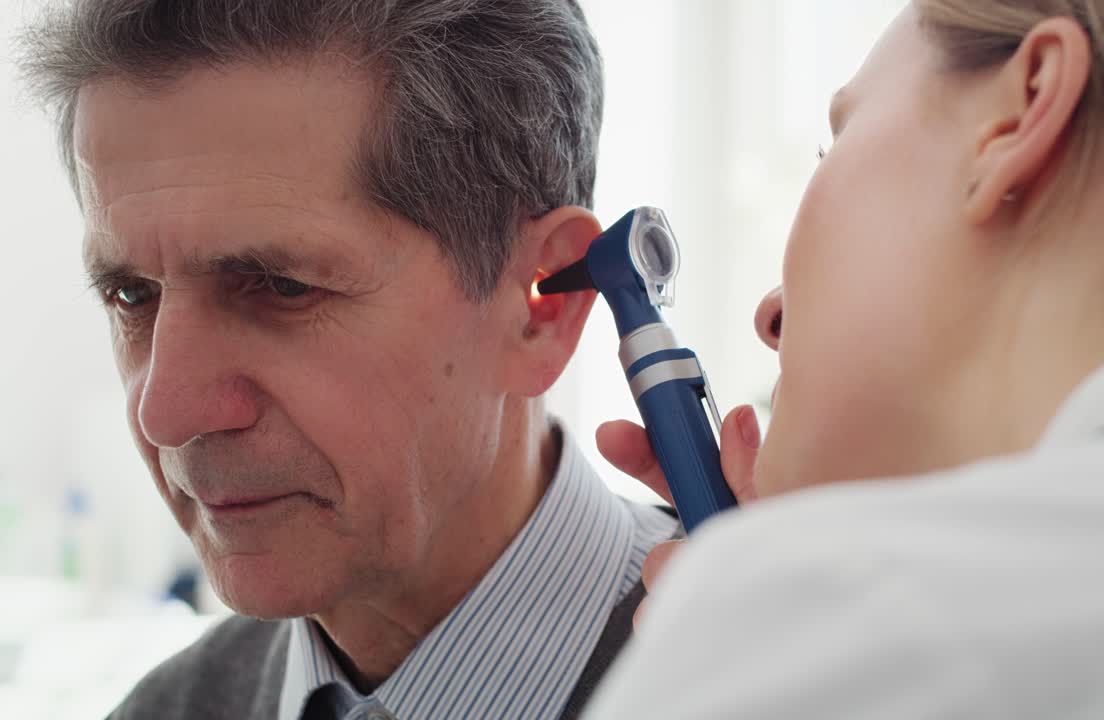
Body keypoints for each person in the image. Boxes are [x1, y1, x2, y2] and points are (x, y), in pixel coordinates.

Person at [587, 1, 1104, 717]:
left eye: (834, 146)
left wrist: (783, 622)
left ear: (1023, 108)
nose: (771, 314)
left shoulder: (840, 633)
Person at [20, 1, 678, 718]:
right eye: (130, 295)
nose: (165, 413)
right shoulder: (167, 709)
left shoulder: (785, 679)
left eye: (281, 287)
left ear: (537, 311)